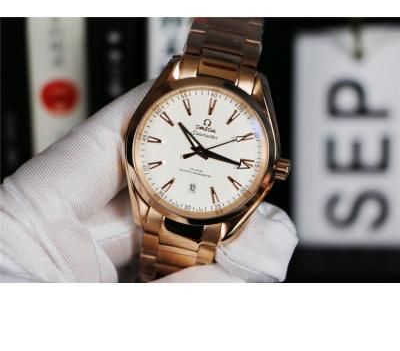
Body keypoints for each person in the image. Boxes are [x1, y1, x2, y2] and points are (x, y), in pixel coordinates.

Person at [0, 81, 298, 282]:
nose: (201, 153)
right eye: (198, 149)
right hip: (156, 198)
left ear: (275, 169)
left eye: (204, 153)